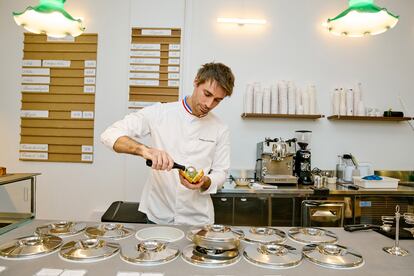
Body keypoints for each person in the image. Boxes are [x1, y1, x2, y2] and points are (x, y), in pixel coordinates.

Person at [100, 62, 235, 225]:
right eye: (207, 94)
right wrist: (144, 150)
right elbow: (109, 135)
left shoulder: (220, 128)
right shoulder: (160, 113)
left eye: (217, 100)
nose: (209, 104)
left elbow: (221, 173)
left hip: (198, 219)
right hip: (157, 215)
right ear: (196, 81)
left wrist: (205, 181)